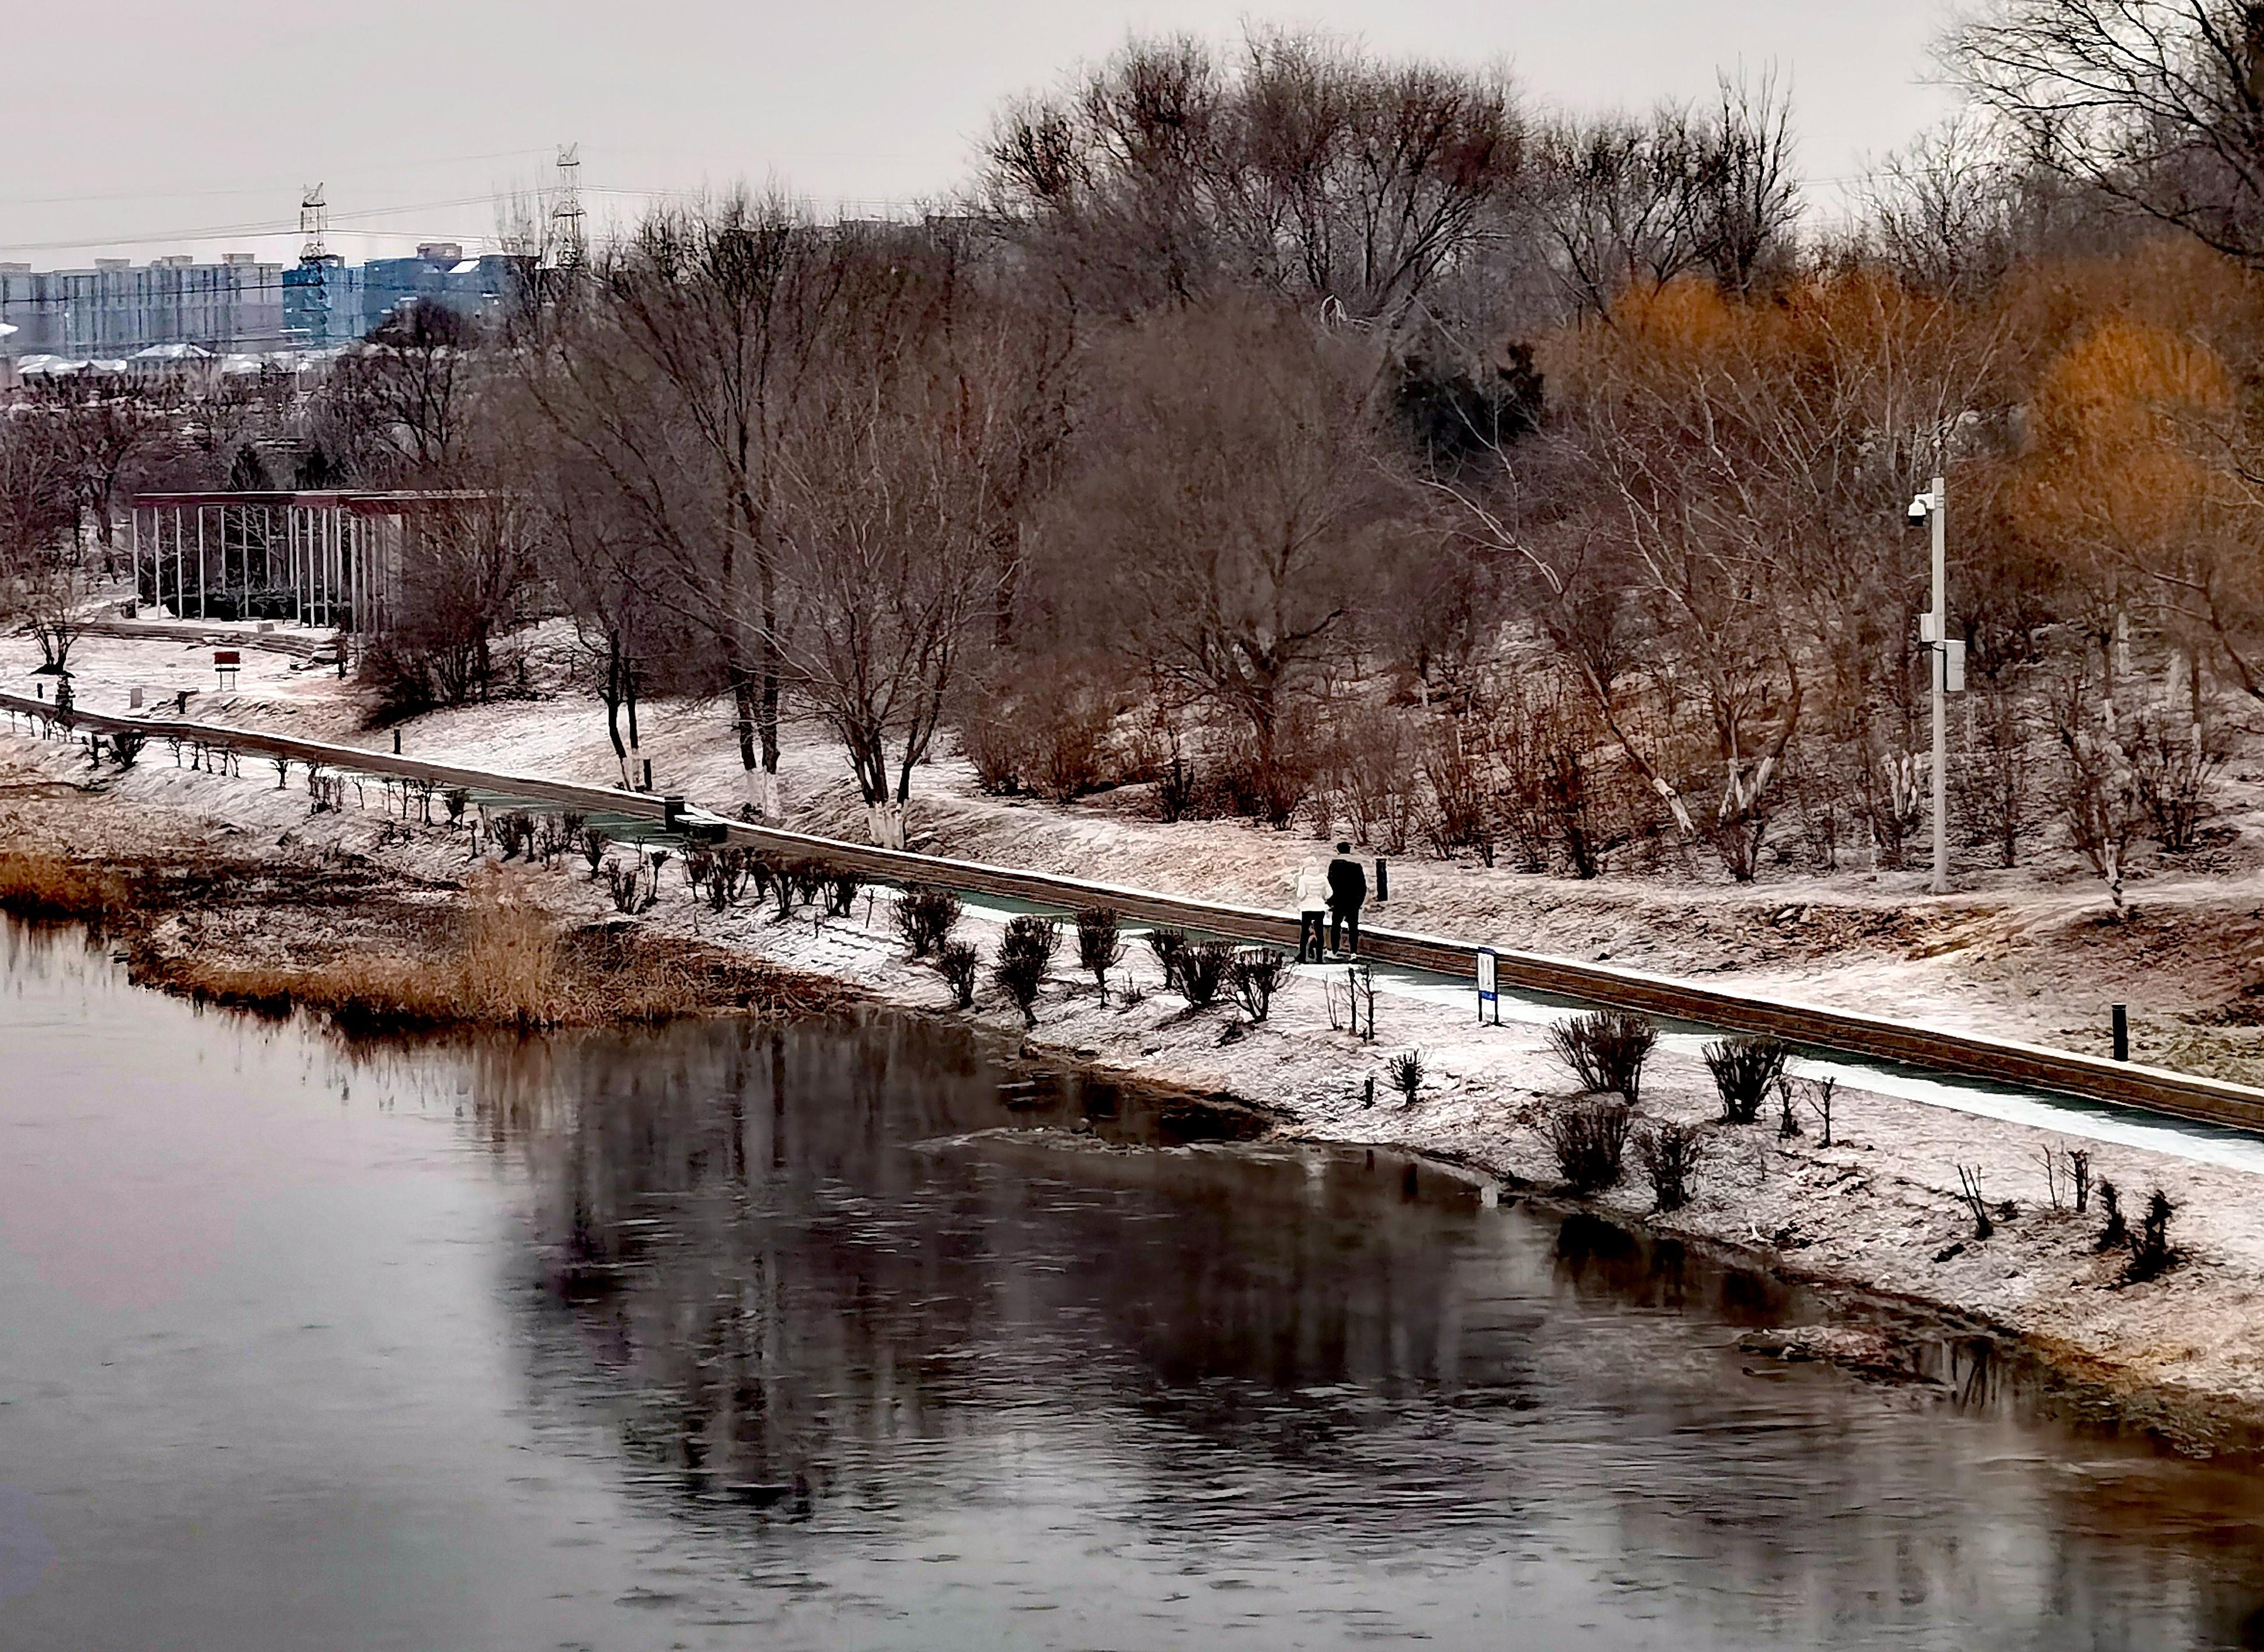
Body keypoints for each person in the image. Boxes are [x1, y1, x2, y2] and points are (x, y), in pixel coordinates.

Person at [1326, 841, 1366, 957]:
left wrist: (1331, 901)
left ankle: (1334, 950)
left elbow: (1331, 884)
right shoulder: (1357, 866)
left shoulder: (1334, 865)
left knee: (1336, 927)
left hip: (1339, 901)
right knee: (1353, 928)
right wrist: (1359, 901)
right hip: (1353, 901)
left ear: (1338, 850)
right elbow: (1362, 886)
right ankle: (1353, 952)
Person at [1293, 858, 1328, 963]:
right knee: (1320, 933)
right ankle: (1319, 958)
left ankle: (1303, 956)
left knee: (1304, 933)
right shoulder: (1323, 878)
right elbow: (1329, 893)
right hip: (1320, 908)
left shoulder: (1304, 879)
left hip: (1307, 907)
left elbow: (1301, 895)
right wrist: (1320, 897)